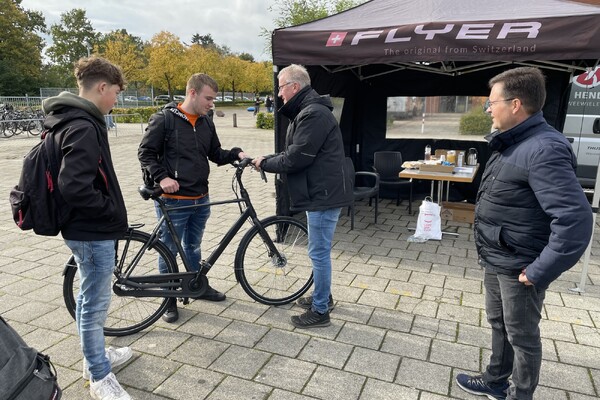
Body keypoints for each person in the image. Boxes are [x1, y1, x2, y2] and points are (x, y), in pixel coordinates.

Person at [456, 67, 593, 400]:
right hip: (498, 256)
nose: (488, 109)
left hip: (521, 266)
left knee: (522, 335)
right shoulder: (513, 141)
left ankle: (521, 394)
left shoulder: (544, 149)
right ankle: (495, 381)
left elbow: (575, 221)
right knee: (500, 324)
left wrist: (539, 271)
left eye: (492, 103)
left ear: (515, 104)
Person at [42, 56, 132, 400]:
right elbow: (74, 185)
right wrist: (108, 211)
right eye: (116, 94)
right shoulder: (83, 125)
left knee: (87, 300)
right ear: (102, 87)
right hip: (91, 232)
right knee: (94, 305)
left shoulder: (70, 118)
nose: (116, 101)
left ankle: (93, 357)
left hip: (83, 229)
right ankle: (99, 376)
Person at [138, 73, 247, 323]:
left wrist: (236, 153)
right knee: (169, 250)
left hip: (201, 198)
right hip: (173, 201)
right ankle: (169, 298)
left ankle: (196, 285)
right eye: (209, 98)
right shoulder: (164, 119)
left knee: (193, 246)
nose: (212, 104)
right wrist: (162, 177)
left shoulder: (206, 122)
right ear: (192, 93)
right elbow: (145, 153)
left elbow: (215, 154)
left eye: (214, 99)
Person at [252, 64, 352, 329]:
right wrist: (266, 159)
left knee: (318, 253)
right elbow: (296, 150)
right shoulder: (309, 111)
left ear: (294, 86)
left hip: (322, 195)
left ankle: (320, 311)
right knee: (318, 251)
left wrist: (266, 164)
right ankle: (324, 297)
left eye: (281, 87)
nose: (278, 94)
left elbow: (297, 158)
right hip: (320, 192)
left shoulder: (313, 114)